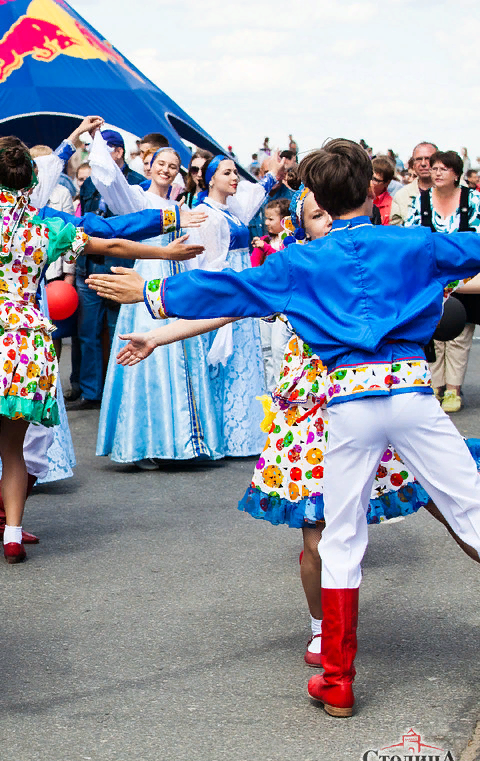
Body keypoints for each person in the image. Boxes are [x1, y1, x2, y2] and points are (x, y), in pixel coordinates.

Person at [86, 138, 480, 718]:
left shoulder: (298, 262)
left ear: (317, 196)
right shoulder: (414, 243)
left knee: (340, 536)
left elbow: (235, 291)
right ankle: (335, 670)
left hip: (347, 400)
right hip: (412, 393)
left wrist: (153, 291)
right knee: (469, 508)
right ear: (373, 192)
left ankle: (339, 680)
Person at [0, 136, 205, 564]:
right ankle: (12, 534)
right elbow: (110, 244)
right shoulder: (49, 226)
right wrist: (163, 249)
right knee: (13, 447)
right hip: (29, 342)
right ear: (33, 180)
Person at [85, 126, 224, 468]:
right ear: (148, 166)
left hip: (176, 279)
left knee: (179, 350)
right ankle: (145, 441)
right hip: (146, 277)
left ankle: (183, 441)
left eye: (173, 166)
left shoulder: (182, 205)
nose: (166, 169)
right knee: (149, 356)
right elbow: (109, 180)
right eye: (161, 163)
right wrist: (96, 138)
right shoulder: (139, 198)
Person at [191, 154, 284, 456]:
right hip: (229, 290)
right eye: (227, 172)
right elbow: (209, 264)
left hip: (242, 287)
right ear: (211, 178)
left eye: (235, 172)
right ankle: (228, 435)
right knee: (229, 364)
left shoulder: (229, 209)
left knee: (246, 358)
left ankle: (246, 433)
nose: (235, 178)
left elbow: (253, 197)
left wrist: (272, 175)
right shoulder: (206, 214)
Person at [69, 128, 147, 410]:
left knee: (119, 331)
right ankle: (92, 391)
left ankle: (122, 392)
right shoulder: (89, 183)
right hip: (89, 266)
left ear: (118, 152)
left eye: (101, 150)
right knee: (88, 332)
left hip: (120, 267)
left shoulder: (138, 183)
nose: (93, 156)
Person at [405, 149, 480, 413]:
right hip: (432, 278)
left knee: (459, 336)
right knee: (433, 332)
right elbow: (411, 236)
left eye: (442, 169)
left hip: (466, 278)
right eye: (434, 168)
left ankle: (453, 389)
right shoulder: (420, 201)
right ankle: (434, 386)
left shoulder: (473, 199)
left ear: (456, 174)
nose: (436, 172)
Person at [251, 198, 293, 386]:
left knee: (279, 348)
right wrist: (259, 249)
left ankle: (284, 385)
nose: (266, 223)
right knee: (266, 348)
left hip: (282, 299)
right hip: (266, 298)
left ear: (284, 220)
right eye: (266, 219)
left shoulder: (289, 241)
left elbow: (282, 262)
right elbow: (254, 266)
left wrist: (266, 248)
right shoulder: (266, 240)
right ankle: (271, 389)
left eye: (271, 219)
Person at [389, 142, 437, 226]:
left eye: (428, 159)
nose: (423, 163)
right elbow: (396, 231)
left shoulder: (455, 192)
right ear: (413, 165)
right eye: (418, 159)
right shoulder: (401, 196)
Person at [370, 155, 395, 225]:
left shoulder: (391, 207)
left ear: (387, 183)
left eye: (375, 180)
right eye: (369, 176)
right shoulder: (358, 199)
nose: (370, 182)